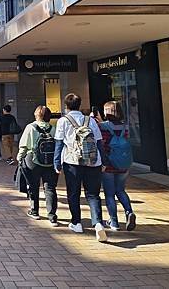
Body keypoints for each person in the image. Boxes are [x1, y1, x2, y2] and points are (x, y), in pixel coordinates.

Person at [54, 93, 107, 242]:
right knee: (93, 194)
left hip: (72, 162)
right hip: (93, 161)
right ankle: (98, 224)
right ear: (79, 104)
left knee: (73, 192)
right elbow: (98, 142)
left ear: (66, 106)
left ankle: (76, 222)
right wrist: (103, 161)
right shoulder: (90, 120)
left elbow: (59, 143)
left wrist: (56, 163)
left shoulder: (63, 121)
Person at [17, 106, 59, 226]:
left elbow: (23, 145)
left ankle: (34, 211)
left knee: (33, 186)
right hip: (50, 162)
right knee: (50, 188)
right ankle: (52, 216)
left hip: (33, 161)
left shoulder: (30, 127)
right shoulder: (53, 128)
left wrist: (20, 158)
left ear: (36, 115)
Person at [99, 101, 136, 231]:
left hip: (108, 164)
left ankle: (114, 222)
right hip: (123, 164)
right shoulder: (125, 127)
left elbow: (101, 143)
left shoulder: (102, 126)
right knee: (120, 190)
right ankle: (129, 212)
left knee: (109, 194)